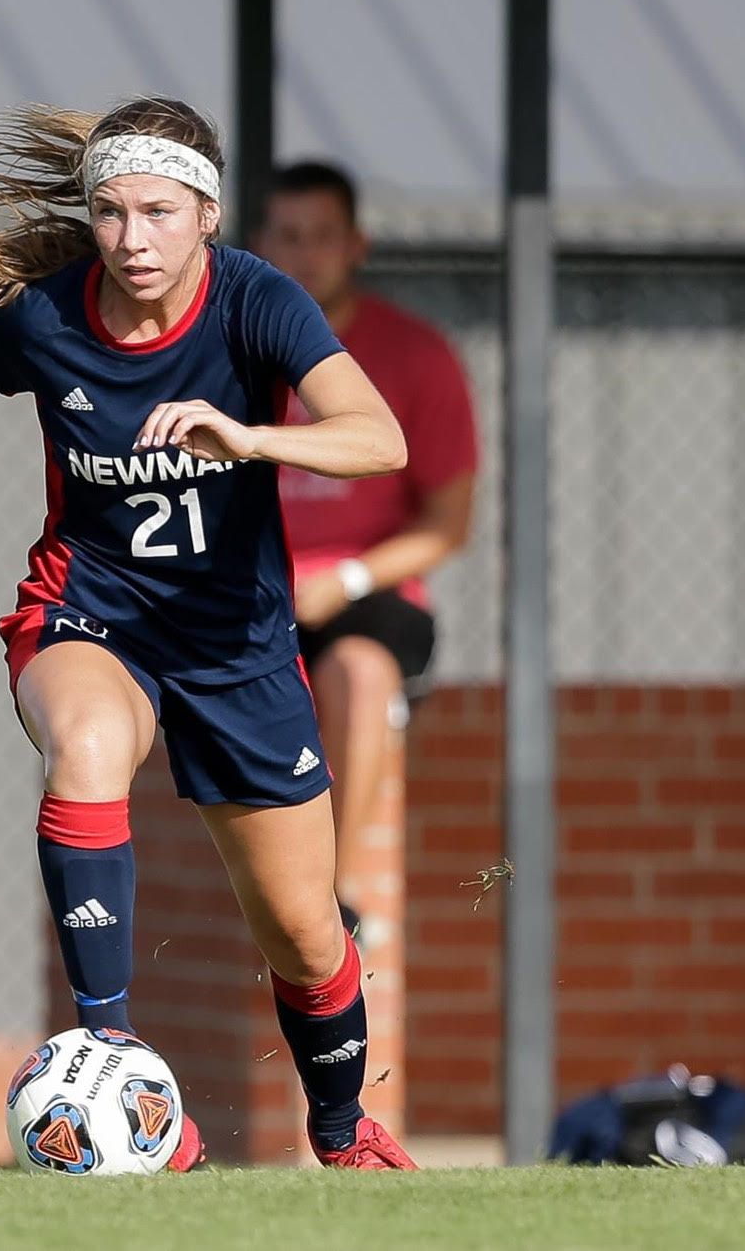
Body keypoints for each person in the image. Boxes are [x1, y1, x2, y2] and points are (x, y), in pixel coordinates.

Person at [0, 97, 417, 1169]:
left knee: (304, 935)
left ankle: (342, 1134)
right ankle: (108, 1049)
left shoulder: (258, 301)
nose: (133, 238)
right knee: (89, 748)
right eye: (110, 213)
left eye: (160, 211)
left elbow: (378, 438)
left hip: (238, 646)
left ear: (206, 213)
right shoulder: (47, 314)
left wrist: (247, 436)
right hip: (88, 612)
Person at [255, 161, 479, 933]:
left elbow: (448, 526)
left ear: (356, 245)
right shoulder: (228, 346)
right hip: (250, 592)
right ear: (259, 244)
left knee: (357, 671)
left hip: (365, 603)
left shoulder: (416, 356)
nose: (305, 254)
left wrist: (345, 577)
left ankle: (330, 899)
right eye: (289, 236)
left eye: (322, 236)